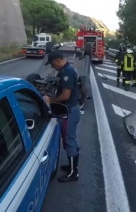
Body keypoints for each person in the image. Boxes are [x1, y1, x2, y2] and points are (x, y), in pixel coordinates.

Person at [43, 51, 81, 182]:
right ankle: (72, 166)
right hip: (72, 110)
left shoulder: (67, 72)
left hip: (69, 112)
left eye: (53, 64)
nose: (53, 67)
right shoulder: (67, 69)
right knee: (71, 139)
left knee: (69, 141)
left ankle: (73, 174)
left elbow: (65, 96)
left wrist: (51, 100)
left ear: (59, 60)